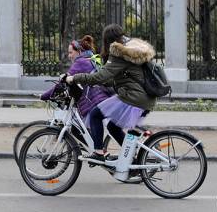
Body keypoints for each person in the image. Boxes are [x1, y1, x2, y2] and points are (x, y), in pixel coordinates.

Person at [66, 25, 158, 161]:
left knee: (95, 115)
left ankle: (98, 152)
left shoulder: (119, 52)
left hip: (133, 97)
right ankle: (132, 160)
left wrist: (75, 78)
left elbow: (102, 76)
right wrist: (103, 83)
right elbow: (124, 77)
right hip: (144, 97)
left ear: (107, 40)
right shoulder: (131, 49)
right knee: (112, 126)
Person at [41, 35, 110, 120]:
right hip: (98, 99)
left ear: (79, 51)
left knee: (91, 130)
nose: (69, 56)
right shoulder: (89, 59)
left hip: (93, 102)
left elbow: (62, 83)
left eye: (71, 52)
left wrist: (45, 96)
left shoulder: (81, 62)